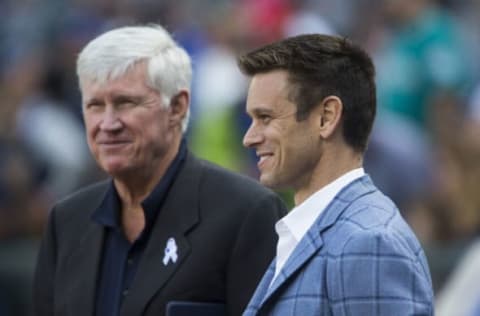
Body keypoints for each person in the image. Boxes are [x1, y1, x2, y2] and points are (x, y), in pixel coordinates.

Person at [33, 24, 287, 316]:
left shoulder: (246, 213)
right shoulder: (66, 221)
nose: (108, 123)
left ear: (177, 107)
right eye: (95, 105)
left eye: (125, 103)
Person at [238, 34, 434, 315]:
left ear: (327, 117)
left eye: (265, 118)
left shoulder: (368, 243)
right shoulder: (326, 233)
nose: (249, 138)